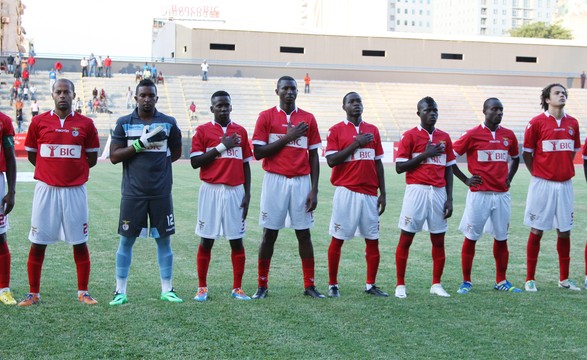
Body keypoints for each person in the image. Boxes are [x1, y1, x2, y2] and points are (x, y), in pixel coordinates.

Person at [18, 79, 100, 306]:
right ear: (52, 95)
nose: (62, 95)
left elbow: (91, 159)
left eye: (67, 92)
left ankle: (83, 292)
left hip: (75, 191)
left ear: (74, 95)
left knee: (80, 241)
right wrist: (51, 171)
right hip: (46, 190)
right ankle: (33, 293)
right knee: (37, 241)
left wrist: (71, 172)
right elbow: (34, 156)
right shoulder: (38, 122)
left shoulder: (86, 124)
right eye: (59, 91)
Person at [109, 79, 183, 306]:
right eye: (143, 95)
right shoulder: (124, 123)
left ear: (156, 98)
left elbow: (177, 153)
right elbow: (114, 156)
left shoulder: (168, 123)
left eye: (151, 95)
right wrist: (140, 144)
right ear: (136, 98)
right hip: (133, 193)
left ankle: (167, 289)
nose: (147, 99)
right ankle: (120, 291)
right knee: (126, 241)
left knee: (164, 242)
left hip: (161, 193)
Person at [251, 75, 324, 299]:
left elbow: (313, 155)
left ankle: (309, 285)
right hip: (275, 180)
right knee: (269, 234)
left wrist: (314, 189)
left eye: (293, 89)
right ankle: (262, 285)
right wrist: (288, 136)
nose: (290, 92)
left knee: (304, 234)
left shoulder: (308, 118)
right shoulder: (266, 116)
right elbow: (258, 152)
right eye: (285, 89)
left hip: (301, 182)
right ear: (277, 91)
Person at [451, 98, 522, 294]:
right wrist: (465, 179)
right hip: (479, 195)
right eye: (494, 109)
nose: (499, 112)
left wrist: (509, 178)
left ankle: (501, 280)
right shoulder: (472, 134)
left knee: (501, 237)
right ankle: (466, 281)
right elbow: (450, 157)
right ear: (484, 111)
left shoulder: (508, 135)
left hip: (501, 196)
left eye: (501, 109)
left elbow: (515, 159)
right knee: (471, 236)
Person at [191, 91, 253, 302]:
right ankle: (201, 287)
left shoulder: (241, 132)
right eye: (219, 106)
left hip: (236, 191)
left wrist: (248, 193)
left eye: (226, 105)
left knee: (237, 240)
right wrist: (222, 146)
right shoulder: (203, 131)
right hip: (211, 190)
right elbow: (195, 162)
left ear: (231, 107)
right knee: (207, 239)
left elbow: (245, 165)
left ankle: (238, 288)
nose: (223, 109)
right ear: (212, 109)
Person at [325, 92, 387, 298]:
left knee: (373, 239)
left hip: (370, 194)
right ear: (344, 106)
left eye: (358, 101)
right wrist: (356, 143)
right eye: (351, 102)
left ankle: (371, 284)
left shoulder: (373, 130)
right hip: (346, 193)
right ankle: (333, 284)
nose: (356, 105)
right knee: (338, 239)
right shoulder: (336, 130)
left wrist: (383, 192)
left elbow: (377, 162)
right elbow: (332, 161)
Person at [394, 96, 455, 299]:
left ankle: (436, 284)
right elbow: (399, 168)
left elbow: (449, 169)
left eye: (435, 110)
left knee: (438, 240)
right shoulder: (409, 136)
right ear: (418, 113)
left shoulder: (445, 137)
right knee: (406, 238)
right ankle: (400, 285)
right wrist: (424, 155)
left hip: (438, 193)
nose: (432, 113)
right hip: (416, 191)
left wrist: (449, 198)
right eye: (428, 110)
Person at [523, 83, 581, 292]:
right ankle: (530, 279)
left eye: (564, 92)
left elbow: (573, 152)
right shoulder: (536, 123)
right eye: (557, 93)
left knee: (564, 231)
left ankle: (564, 279)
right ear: (547, 99)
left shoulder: (573, 123)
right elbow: (527, 154)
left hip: (565, 185)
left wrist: (559, 170)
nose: (562, 95)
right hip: (542, 184)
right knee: (537, 229)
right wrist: (539, 174)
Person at [0, 110, 17, 305]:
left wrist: (11, 191)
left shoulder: (4, 120)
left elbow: (10, 156)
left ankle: (4, 289)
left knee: (0, 236)